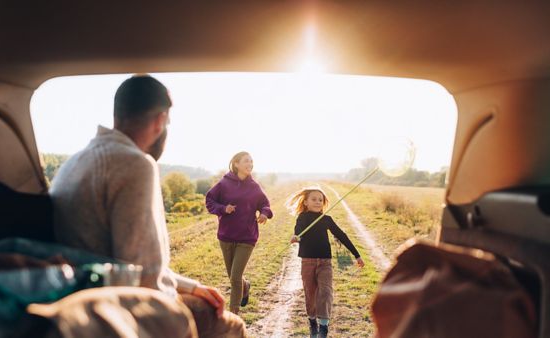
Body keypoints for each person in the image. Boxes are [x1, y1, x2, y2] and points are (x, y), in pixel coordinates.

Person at [50, 74, 246, 337]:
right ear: (160, 120)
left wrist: (189, 285)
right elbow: (145, 278)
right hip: (113, 308)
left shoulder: (75, 161)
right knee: (232, 325)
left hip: (81, 293)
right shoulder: (135, 164)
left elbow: (125, 262)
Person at [288, 187, 364, 338]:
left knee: (326, 292)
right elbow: (298, 230)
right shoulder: (302, 217)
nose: (317, 202)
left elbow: (342, 236)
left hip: (325, 262)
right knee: (310, 293)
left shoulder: (326, 220)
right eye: (314, 199)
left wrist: (357, 255)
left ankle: (323, 327)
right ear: (306, 202)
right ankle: (312, 322)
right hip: (308, 261)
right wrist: (296, 237)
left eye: (320, 200)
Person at [205, 151, 273, 314]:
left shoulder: (254, 186)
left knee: (235, 278)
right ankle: (245, 286)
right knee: (234, 278)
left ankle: (233, 315)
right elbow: (209, 200)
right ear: (236, 164)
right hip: (226, 237)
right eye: (246, 161)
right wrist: (223, 208)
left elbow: (265, 204)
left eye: (251, 162)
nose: (250, 164)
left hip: (247, 237)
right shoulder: (224, 183)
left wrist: (264, 213)